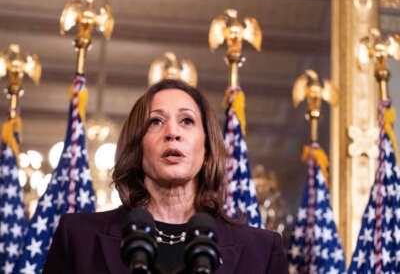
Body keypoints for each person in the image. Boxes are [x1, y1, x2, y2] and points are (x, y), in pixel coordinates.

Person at [43, 79, 289, 274]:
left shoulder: (262, 251)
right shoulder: (78, 237)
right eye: (156, 122)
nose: (172, 132)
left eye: (187, 121)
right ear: (137, 146)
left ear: (207, 149)